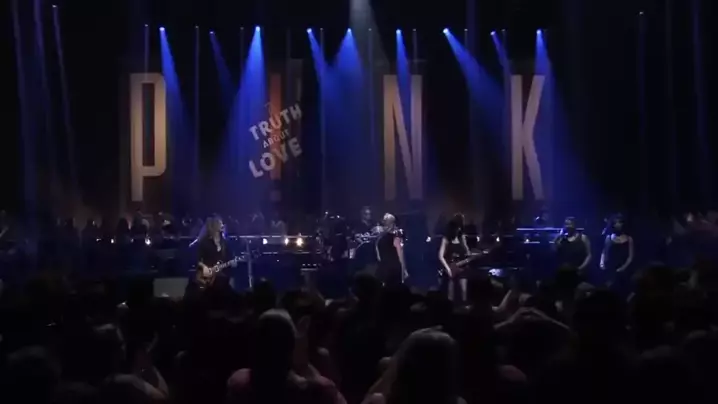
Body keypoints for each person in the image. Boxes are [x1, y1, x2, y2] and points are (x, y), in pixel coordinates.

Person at [189, 215, 234, 296]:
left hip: (221, 277)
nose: (222, 225)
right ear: (214, 225)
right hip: (207, 276)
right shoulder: (204, 242)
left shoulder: (225, 243)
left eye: (222, 223)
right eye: (220, 223)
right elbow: (197, 259)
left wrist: (233, 262)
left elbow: (229, 258)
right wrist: (204, 267)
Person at [438, 214, 471, 302]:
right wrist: (448, 269)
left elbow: (467, 251)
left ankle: (463, 305)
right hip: (451, 268)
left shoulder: (461, 237)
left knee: (464, 290)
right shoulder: (446, 239)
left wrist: (470, 254)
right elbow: (440, 256)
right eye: (457, 228)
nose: (459, 229)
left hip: (462, 267)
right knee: (451, 294)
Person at [600, 215, 634, 291]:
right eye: (616, 223)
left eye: (620, 222)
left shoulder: (629, 239)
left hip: (623, 268)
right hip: (610, 267)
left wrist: (623, 267)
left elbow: (630, 256)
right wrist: (601, 262)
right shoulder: (609, 237)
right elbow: (604, 252)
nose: (618, 224)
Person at [375, 213, 407, 287]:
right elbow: (401, 258)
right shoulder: (396, 239)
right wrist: (404, 272)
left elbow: (378, 257)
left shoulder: (379, 240)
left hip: (383, 272)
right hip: (395, 273)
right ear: (393, 224)